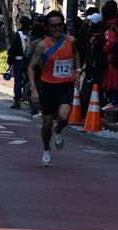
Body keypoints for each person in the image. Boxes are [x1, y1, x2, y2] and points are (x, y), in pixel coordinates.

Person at [27, 10, 81, 166]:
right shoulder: (43, 46)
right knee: (46, 124)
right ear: (48, 28)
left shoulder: (71, 41)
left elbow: (76, 54)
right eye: (53, 26)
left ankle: (58, 131)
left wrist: (77, 71)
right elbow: (31, 67)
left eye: (60, 25)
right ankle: (46, 149)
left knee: (64, 117)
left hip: (66, 85)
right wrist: (34, 88)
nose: (57, 28)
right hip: (48, 86)